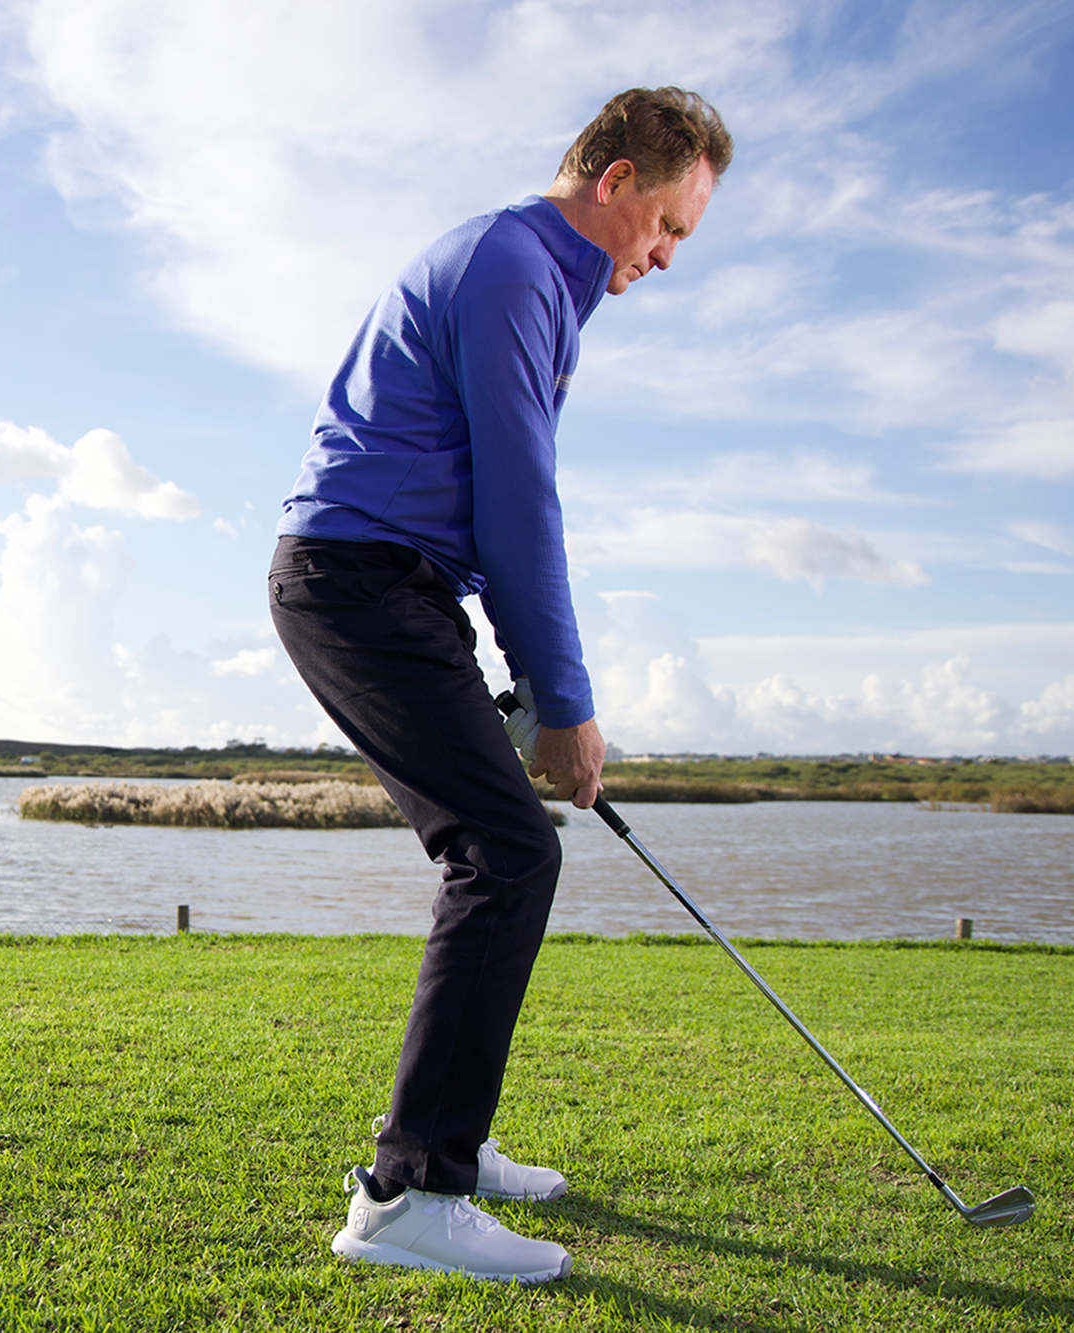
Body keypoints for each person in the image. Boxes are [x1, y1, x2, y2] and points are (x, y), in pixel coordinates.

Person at [268, 87, 731, 1283]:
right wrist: (564, 704)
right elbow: (519, 505)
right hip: (360, 582)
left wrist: (525, 690)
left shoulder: (523, 269)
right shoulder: (517, 265)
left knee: (503, 846)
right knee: (509, 851)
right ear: (616, 180)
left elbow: (480, 503)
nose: (665, 257)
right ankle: (409, 1192)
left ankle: (447, 1149)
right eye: (667, 225)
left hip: (392, 586)